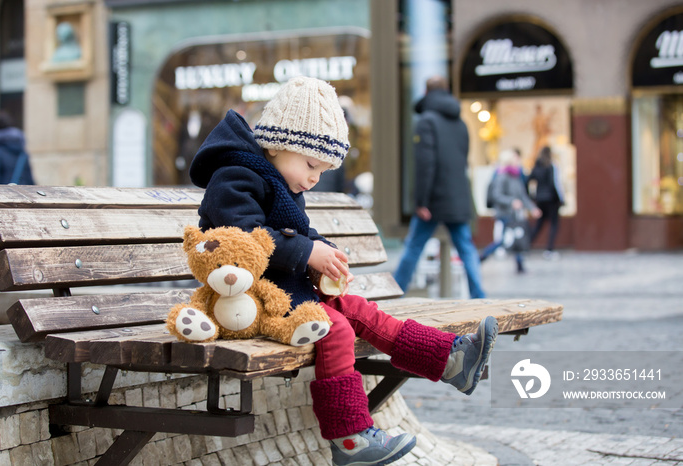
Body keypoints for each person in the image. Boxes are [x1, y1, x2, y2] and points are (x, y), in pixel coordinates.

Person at [188, 76, 498, 466]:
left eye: (324, 170)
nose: (315, 178)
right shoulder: (234, 176)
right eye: (311, 165)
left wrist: (324, 255)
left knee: (363, 312)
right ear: (279, 144)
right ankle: (349, 437)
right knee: (336, 331)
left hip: (285, 287)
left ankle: (452, 361)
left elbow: (297, 232)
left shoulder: (281, 178)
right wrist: (307, 251)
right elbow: (245, 239)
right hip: (246, 299)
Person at [393, 76, 486, 299]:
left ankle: (393, 293)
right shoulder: (461, 122)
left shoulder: (426, 121)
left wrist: (421, 201)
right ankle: (481, 297)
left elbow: (426, 165)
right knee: (466, 249)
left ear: (426, 92)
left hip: (433, 201)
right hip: (458, 197)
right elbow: (463, 160)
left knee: (414, 247)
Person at [0, 113, 35, 284]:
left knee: (0, 240)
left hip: (1, 203)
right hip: (20, 202)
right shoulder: (22, 152)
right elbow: (30, 181)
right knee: (10, 241)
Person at [480, 149, 541, 274]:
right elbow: (496, 195)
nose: (518, 162)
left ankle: (519, 265)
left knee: (516, 237)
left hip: (514, 214)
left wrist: (532, 208)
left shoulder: (516, 176)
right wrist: (511, 202)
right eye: (515, 160)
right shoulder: (501, 176)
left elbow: (523, 196)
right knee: (505, 240)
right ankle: (482, 256)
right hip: (504, 213)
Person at [527, 146, 564, 259]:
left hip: (540, 199)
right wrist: (560, 199)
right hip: (551, 200)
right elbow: (555, 183)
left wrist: (532, 196)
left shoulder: (537, 166)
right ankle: (549, 249)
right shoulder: (551, 166)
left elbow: (528, 180)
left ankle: (526, 245)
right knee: (553, 224)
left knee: (539, 224)